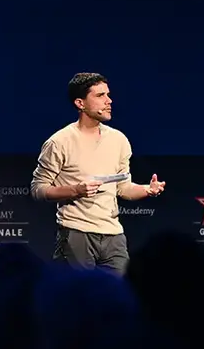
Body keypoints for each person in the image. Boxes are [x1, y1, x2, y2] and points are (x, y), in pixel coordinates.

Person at [30, 72, 165, 275]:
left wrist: (148, 189)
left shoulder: (118, 140)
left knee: (120, 298)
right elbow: (38, 189)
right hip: (76, 233)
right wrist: (75, 190)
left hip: (113, 235)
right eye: (100, 95)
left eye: (108, 95)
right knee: (79, 300)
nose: (109, 101)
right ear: (80, 103)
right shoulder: (59, 142)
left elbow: (123, 188)